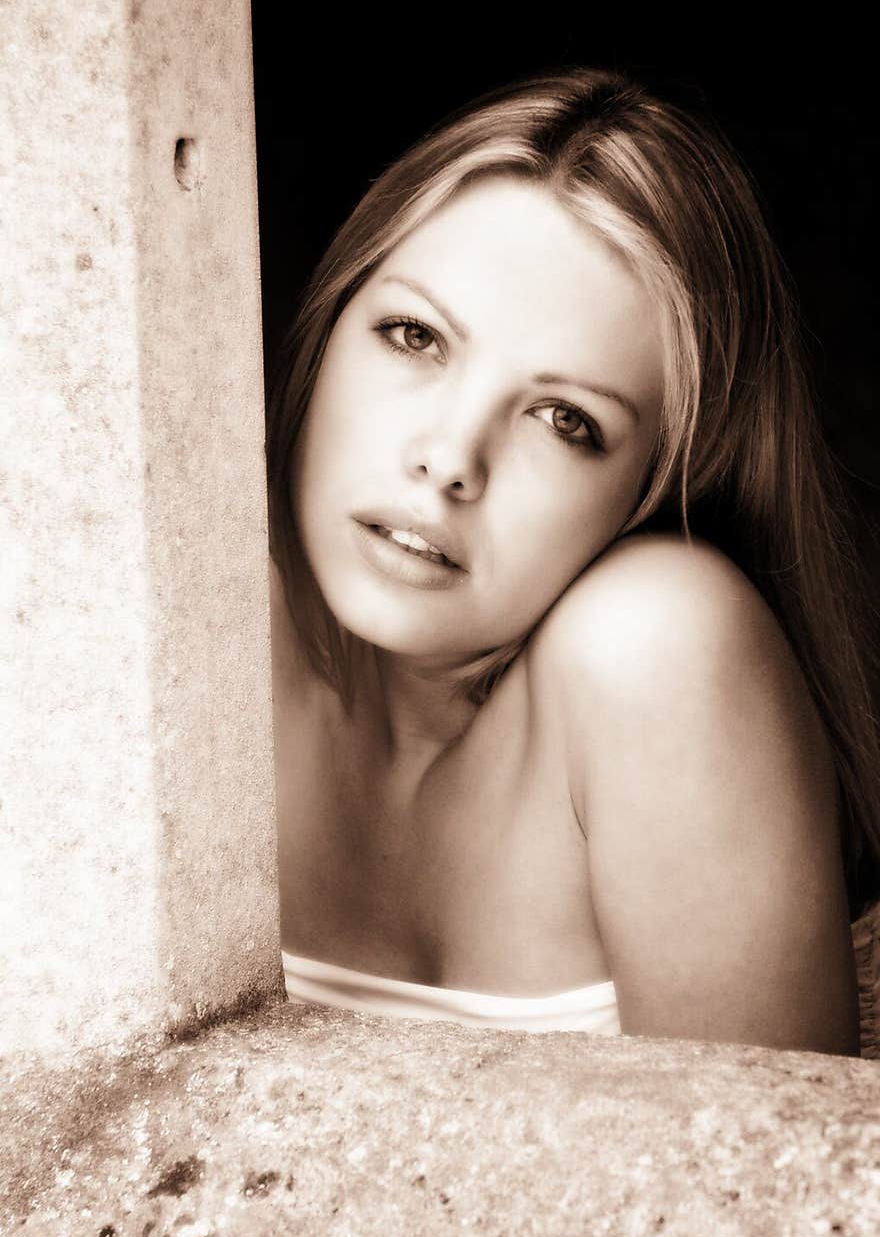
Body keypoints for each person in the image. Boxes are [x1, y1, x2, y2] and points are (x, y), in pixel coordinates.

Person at [265, 66, 880, 1056]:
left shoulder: (652, 649)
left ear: (661, 485)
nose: (449, 458)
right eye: (414, 335)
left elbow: (752, 1201)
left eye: (567, 421)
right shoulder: (170, 594)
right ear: (330, 320)